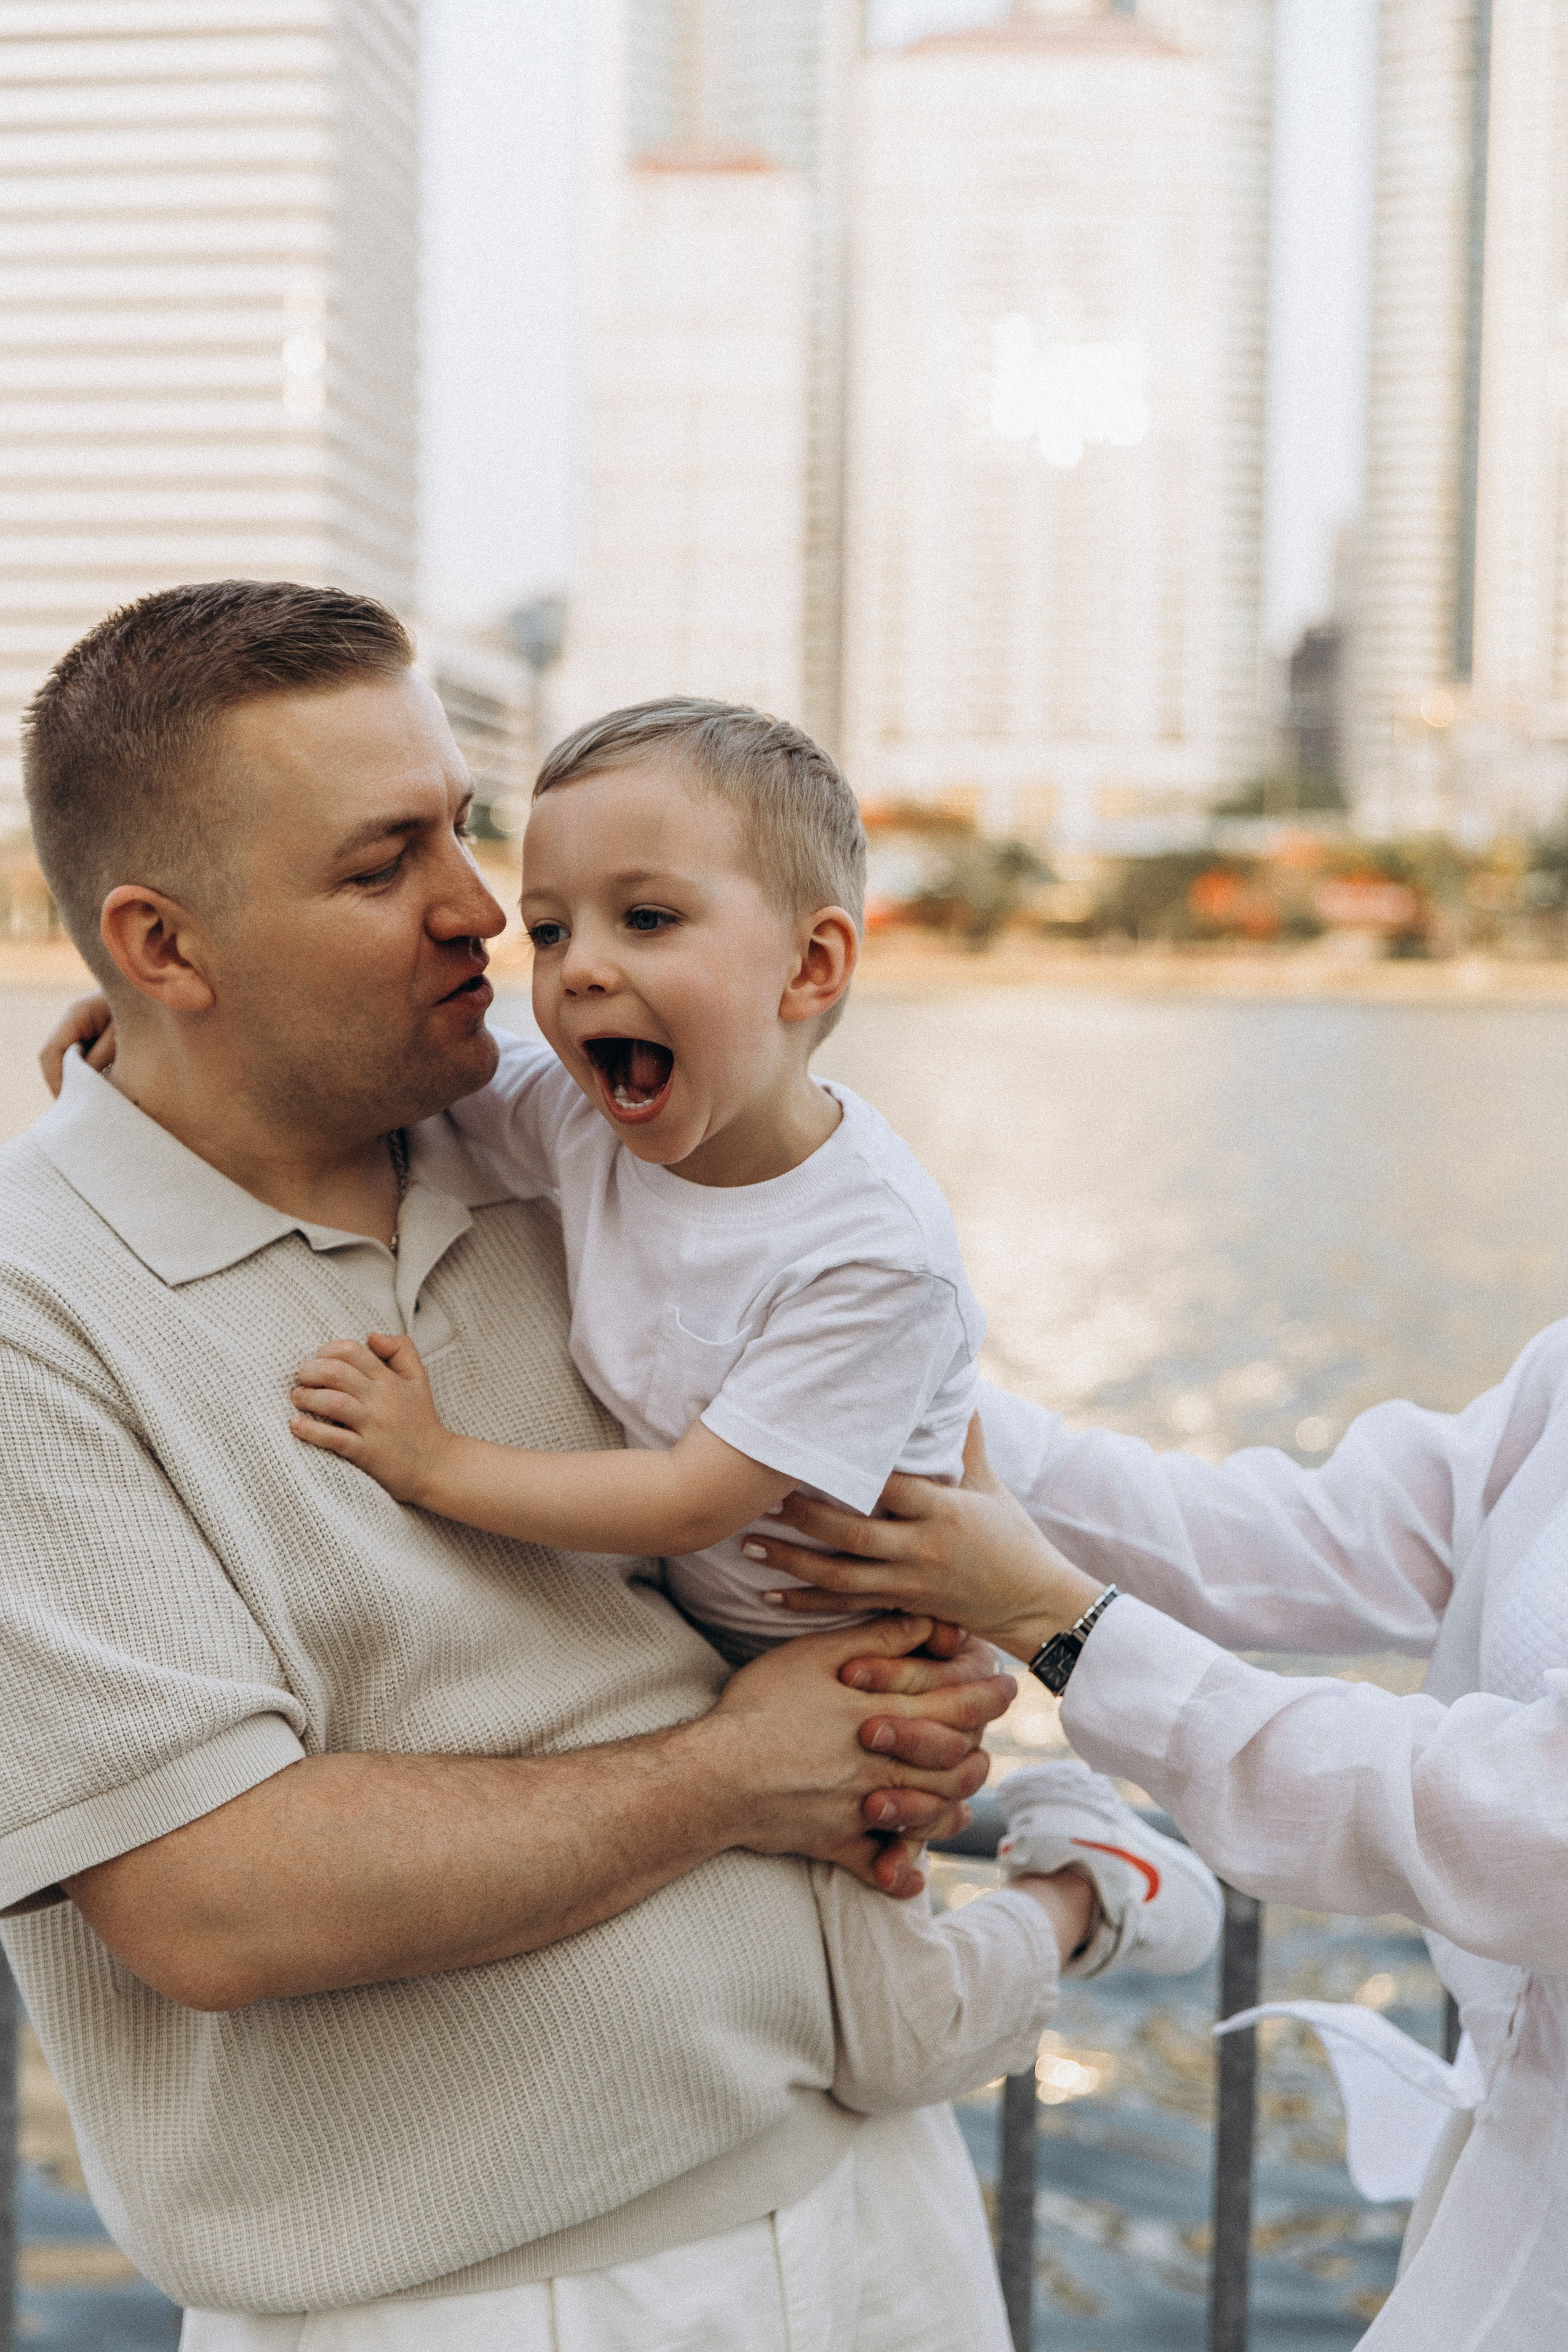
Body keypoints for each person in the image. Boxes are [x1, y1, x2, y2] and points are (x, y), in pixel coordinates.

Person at [9, 579, 1207, 2352]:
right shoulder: (40, 1310)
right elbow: (211, 1898)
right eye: (379, 865)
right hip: (466, 2304)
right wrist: (734, 1771)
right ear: (163, 950)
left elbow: (856, 1376)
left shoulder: (565, 1131)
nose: (482, 917)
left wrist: (928, 1629)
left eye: (463, 832)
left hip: (876, 2201)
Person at [742, 1372, 1568, 2352]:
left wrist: (1061, 1625)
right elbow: (1291, 1544)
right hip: (1511, 2164)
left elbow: (1518, 1820)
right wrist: (901, 1370)